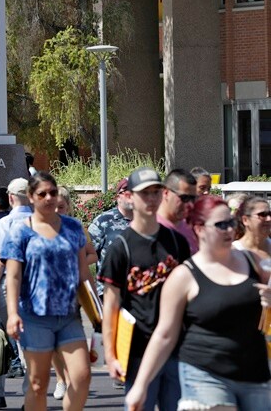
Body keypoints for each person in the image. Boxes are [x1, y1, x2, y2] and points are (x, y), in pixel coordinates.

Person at [125, 196, 271, 410]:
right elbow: (164, 334)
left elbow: (267, 318)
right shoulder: (183, 277)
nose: (230, 230)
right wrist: (140, 384)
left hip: (254, 372)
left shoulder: (254, 263)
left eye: (231, 223)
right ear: (199, 229)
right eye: (221, 225)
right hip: (205, 373)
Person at [99, 167, 191, 411]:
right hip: (138, 349)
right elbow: (111, 305)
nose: (151, 199)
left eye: (155, 192)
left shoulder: (176, 242)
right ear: (129, 196)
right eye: (144, 193)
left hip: (176, 347)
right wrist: (110, 354)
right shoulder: (121, 247)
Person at [2, 172, 92, 411]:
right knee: (38, 383)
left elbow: (84, 274)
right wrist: (12, 313)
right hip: (35, 317)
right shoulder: (20, 232)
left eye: (53, 192)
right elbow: (13, 276)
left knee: (81, 376)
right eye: (42, 194)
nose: (49, 198)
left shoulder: (73, 227)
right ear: (31, 197)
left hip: (69, 315)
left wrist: (98, 311)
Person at [0, 178, 33, 409]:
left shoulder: (6, 223)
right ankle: (31, 397)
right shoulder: (39, 221)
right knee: (29, 342)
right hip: (33, 287)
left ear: (10, 197)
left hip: (7, 287)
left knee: (0, 338)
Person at [51, 185, 97, 400]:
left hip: (73, 292)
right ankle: (61, 379)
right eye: (54, 206)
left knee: (69, 339)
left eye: (62, 206)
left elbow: (92, 256)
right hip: (48, 294)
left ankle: (72, 378)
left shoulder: (76, 227)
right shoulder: (39, 227)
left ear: (68, 207)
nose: (58, 210)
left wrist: (75, 263)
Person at [88, 177, 133, 300]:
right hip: (108, 292)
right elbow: (86, 253)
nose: (131, 196)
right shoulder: (103, 221)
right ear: (118, 196)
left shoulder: (147, 221)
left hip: (138, 293)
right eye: (127, 192)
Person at [156, 169, 198, 254]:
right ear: (166, 193)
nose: (190, 204)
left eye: (192, 199)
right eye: (184, 198)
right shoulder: (149, 228)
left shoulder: (191, 227)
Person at [232, 194, 271, 260]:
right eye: (262, 214)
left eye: (270, 214)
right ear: (245, 220)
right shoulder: (234, 252)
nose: (269, 218)